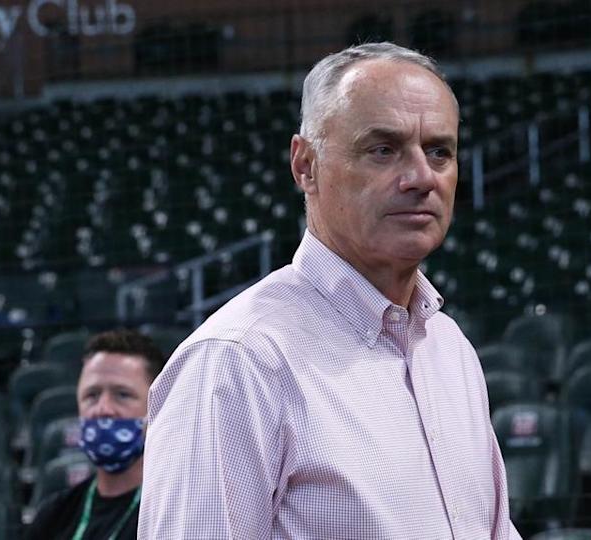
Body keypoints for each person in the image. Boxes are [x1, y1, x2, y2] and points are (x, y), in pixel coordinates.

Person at [139, 42, 521, 539]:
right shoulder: (237, 362)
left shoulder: (451, 351)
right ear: (305, 166)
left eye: (439, 151)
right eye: (383, 149)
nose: (422, 177)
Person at [27, 329, 165, 540]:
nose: (103, 409)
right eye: (92, 395)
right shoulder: (54, 515)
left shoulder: (174, 509)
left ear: (157, 406)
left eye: (122, 394)